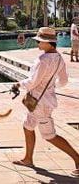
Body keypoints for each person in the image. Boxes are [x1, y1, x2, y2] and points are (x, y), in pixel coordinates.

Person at [12, 27, 79, 177]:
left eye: (40, 41)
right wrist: (50, 87)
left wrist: (18, 84)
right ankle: (28, 159)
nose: (38, 43)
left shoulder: (42, 60)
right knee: (28, 126)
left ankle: (78, 160)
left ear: (49, 43)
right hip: (42, 101)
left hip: (39, 104)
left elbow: (32, 82)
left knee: (49, 136)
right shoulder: (59, 58)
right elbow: (64, 80)